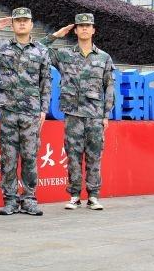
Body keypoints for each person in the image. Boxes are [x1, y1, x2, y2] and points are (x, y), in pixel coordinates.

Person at [0, 7, 51, 216]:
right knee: (8, 158)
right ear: (12, 24)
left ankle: (29, 199)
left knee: (29, 157)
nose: (22, 24)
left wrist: (44, 108)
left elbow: (46, 81)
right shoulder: (0, 46)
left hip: (31, 112)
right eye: (17, 21)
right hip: (7, 110)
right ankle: (9, 200)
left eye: (26, 20)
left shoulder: (41, 50)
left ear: (31, 24)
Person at [40, 13, 115, 210]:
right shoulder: (65, 55)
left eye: (87, 26)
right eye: (80, 26)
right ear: (75, 30)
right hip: (73, 114)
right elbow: (39, 50)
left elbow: (109, 87)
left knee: (94, 155)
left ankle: (93, 195)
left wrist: (106, 115)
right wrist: (56, 35)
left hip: (95, 114)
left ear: (93, 30)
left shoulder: (104, 57)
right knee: (73, 155)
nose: (84, 29)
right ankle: (74, 195)